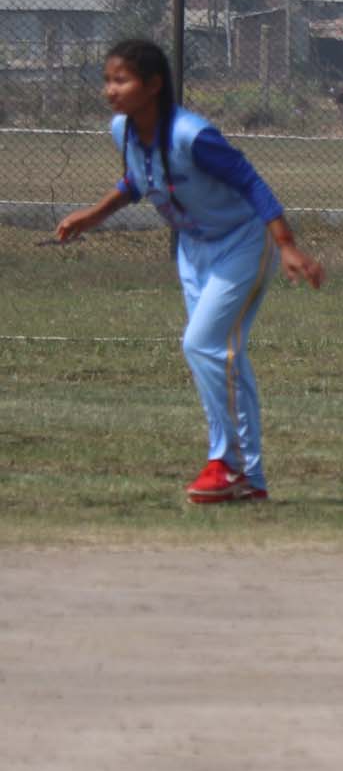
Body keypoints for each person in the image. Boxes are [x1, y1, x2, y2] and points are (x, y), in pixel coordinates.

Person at [51, 38, 326, 503]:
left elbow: (249, 180)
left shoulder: (191, 134)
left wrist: (287, 246)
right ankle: (248, 479)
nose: (110, 90)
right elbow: (139, 181)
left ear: (153, 85)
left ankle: (227, 464)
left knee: (202, 344)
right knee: (220, 356)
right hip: (193, 250)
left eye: (122, 80)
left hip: (239, 245)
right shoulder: (122, 130)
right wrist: (95, 214)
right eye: (107, 80)